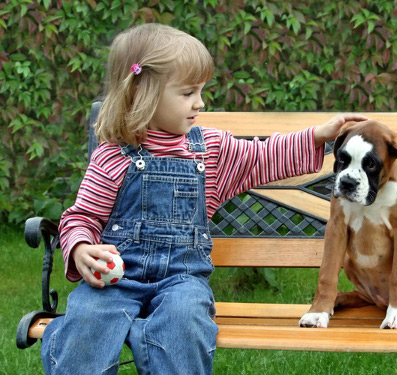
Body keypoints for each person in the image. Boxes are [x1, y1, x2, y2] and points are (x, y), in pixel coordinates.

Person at [41, 23, 368, 374]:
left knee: (184, 322)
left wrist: (319, 135)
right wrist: (79, 249)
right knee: (86, 321)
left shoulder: (210, 150)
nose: (200, 102)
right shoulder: (112, 157)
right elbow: (82, 217)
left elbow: (262, 156)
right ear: (141, 93)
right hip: (116, 281)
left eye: (201, 90)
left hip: (182, 282)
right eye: (188, 93)